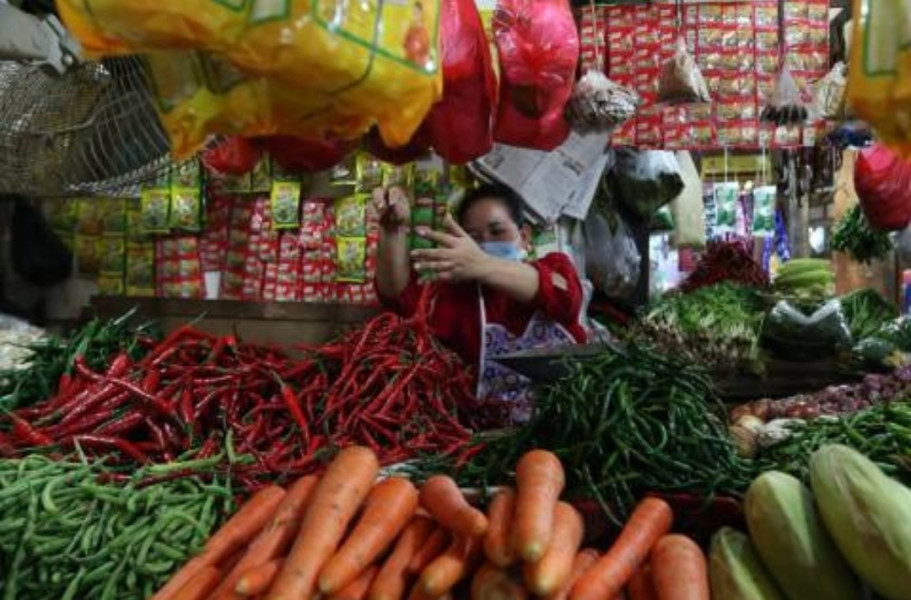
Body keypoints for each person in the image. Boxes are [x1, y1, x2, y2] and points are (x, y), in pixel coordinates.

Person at [374, 183, 587, 423]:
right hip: (495, 432)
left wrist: (483, 264)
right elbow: (398, 297)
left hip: (573, 419)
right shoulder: (459, 295)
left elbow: (566, 298)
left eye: (497, 231)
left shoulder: (555, 265)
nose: (485, 243)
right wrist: (392, 229)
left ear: (525, 236)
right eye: (474, 238)